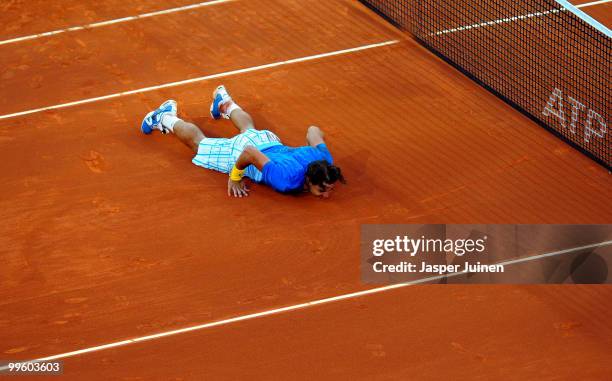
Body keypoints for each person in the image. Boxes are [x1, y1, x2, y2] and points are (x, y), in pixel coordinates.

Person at [140, 85, 344, 198]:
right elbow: (249, 152)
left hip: (267, 138)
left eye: (329, 188)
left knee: (249, 130)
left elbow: (313, 131)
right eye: (323, 189)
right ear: (308, 179)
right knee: (199, 144)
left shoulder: (323, 159)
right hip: (244, 152)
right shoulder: (286, 179)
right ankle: (164, 117)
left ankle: (224, 103)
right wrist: (235, 177)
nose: (327, 193)